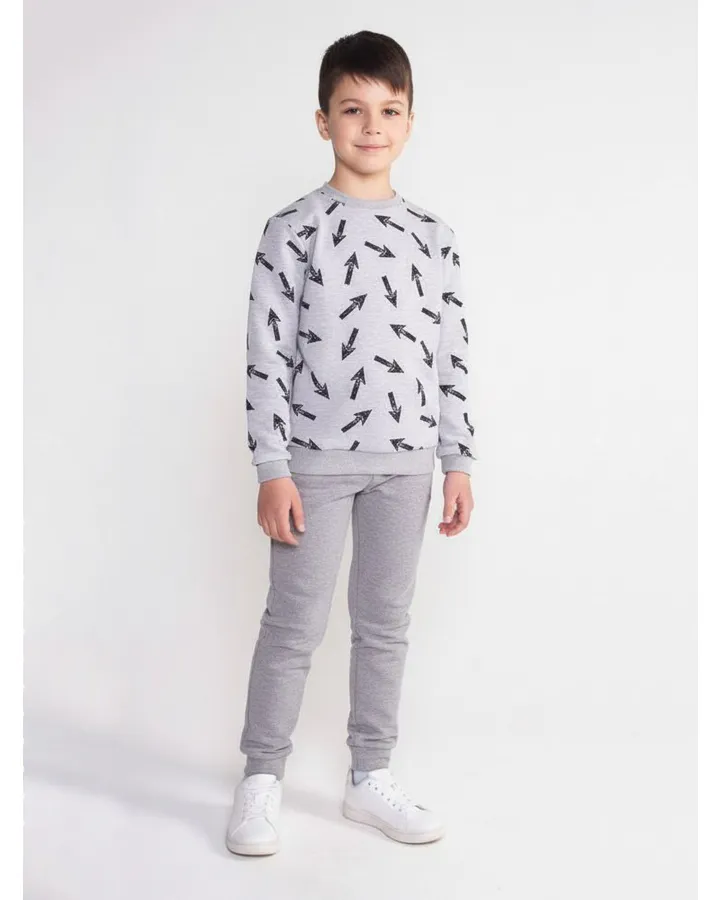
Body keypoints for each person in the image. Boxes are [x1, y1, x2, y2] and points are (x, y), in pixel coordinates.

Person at [226, 30, 478, 856]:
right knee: (292, 624)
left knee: (384, 623)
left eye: (389, 110)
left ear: (410, 121)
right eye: (353, 109)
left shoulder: (435, 236)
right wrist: (272, 467)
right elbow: (267, 352)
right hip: (315, 464)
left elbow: (450, 354)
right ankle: (261, 777)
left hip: (407, 465)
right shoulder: (294, 228)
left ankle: (370, 776)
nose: (372, 126)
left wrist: (457, 459)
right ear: (322, 120)